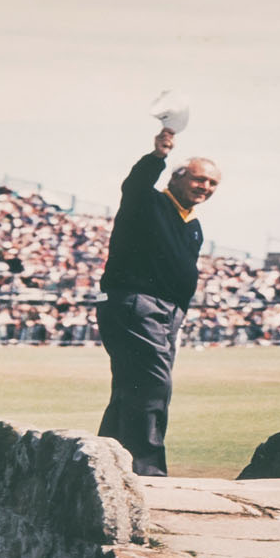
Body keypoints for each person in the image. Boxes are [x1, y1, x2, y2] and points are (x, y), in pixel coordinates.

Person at [94, 126, 219, 477]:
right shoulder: (147, 202)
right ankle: (148, 472)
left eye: (212, 184)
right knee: (153, 386)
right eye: (199, 180)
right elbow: (134, 184)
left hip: (167, 313)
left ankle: (109, 463)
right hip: (137, 304)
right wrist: (158, 155)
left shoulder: (193, 226)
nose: (205, 188)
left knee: (131, 387)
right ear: (178, 177)